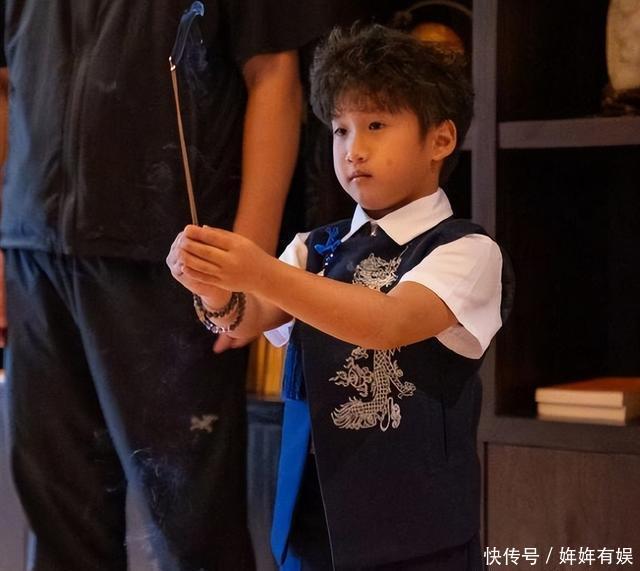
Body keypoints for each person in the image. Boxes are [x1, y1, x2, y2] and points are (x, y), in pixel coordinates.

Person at [0, 1, 354, 569]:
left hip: (175, 260)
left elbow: (273, 77)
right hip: (32, 249)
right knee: (59, 521)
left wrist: (246, 270)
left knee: (192, 530)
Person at [167, 25, 511, 570]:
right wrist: (214, 293)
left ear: (440, 140)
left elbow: (388, 323)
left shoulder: (466, 250)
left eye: (376, 125)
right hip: (309, 524)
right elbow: (246, 319)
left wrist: (259, 270)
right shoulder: (314, 247)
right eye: (341, 130)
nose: (355, 150)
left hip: (417, 537)